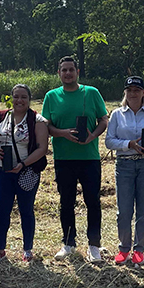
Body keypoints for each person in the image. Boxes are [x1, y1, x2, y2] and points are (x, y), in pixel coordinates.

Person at [42, 56, 109, 262]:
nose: (68, 73)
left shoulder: (92, 92)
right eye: (64, 70)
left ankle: (94, 245)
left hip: (89, 157)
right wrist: (61, 133)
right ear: (59, 73)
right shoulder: (51, 96)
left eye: (71, 70)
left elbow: (103, 119)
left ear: (77, 72)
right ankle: (69, 243)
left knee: (93, 201)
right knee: (66, 202)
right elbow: (46, 125)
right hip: (64, 158)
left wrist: (93, 135)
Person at [0, 84, 48, 265]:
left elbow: (42, 148)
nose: (19, 100)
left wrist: (22, 164)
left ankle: (27, 249)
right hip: (4, 172)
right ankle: (0, 249)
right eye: (16, 97)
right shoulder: (0, 117)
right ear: (11, 98)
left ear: (29, 99)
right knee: (2, 211)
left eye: (24, 97)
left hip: (26, 172)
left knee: (26, 210)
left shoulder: (37, 120)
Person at [104, 76, 144, 266]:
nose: (133, 93)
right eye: (129, 90)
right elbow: (109, 141)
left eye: (137, 90)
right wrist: (128, 144)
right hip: (125, 164)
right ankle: (124, 249)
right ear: (125, 93)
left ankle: (139, 250)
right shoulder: (116, 114)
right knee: (124, 210)